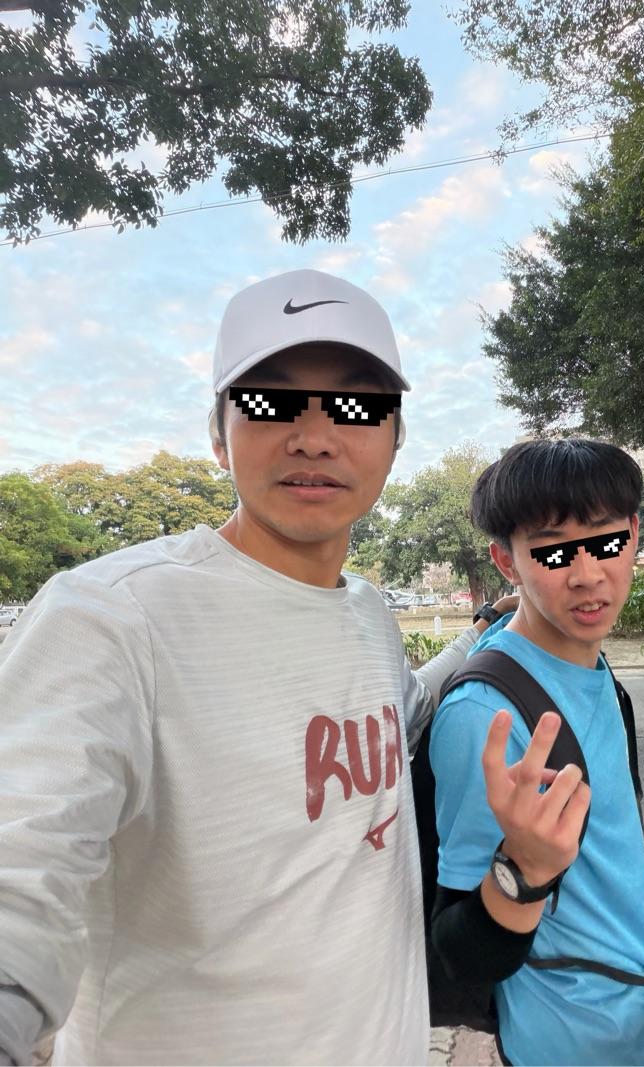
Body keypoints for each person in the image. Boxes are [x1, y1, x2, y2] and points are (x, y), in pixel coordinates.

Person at [0, 269, 515, 1067]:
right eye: (272, 402)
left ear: (396, 436)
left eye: (356, 405)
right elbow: (23, 871)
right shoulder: (111, 618)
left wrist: (497, 626)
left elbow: (402, 705)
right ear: (219, 433)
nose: (314, 435)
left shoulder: (368, 612)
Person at [428, 438, 644, 1066]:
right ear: (506, 561)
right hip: (577, 1038)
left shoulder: (583, 654)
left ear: (633, 534)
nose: (587, 574)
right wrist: (524, 872)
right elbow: (461, 953)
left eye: (606, 541)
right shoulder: (486, 715)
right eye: (552, 550)